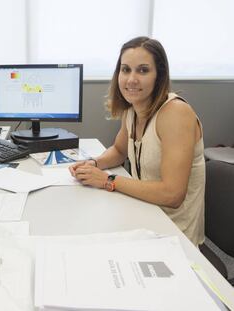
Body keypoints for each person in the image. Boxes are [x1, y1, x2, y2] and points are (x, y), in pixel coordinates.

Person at [69, 36, 205, 247]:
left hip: (174, 236)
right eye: (125, 70)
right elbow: (119, 150)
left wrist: (107, 180)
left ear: (159, 76)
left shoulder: (176, 114)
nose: (131, 79)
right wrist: (93, 164)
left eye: (143, 70)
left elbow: (173, 194)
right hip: (144, 214)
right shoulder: (133, 109)